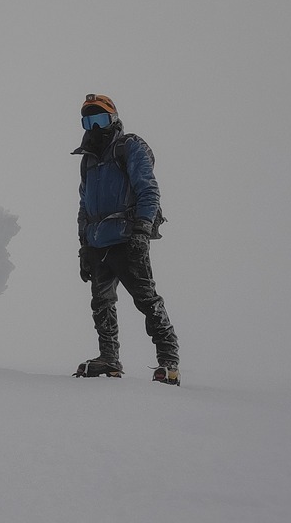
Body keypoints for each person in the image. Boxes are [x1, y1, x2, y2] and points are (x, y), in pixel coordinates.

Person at [71, 93, 180, 385]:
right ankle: (109, 358)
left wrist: (142, 231)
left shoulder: (129, 147)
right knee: (101, 303)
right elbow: (84, 204)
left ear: (114, 118)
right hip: (97, 241)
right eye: (88, 120)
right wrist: (83, 245)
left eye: (100, 119)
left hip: (127, 236)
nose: (94, 128)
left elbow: (148, 190)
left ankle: (168, 360)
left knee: (145, 299)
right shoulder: (89, 160)